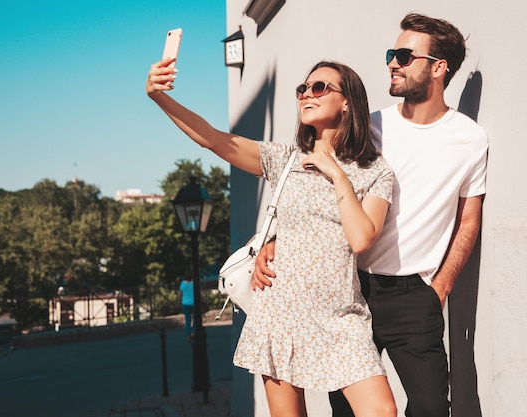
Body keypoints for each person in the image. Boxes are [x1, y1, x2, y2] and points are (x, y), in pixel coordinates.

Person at [254, 13, 489, 417]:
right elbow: (311, 188)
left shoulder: (470, 138)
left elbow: (469, 219)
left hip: (415, 297)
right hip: (347, 291)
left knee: (433, 406)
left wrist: (439, 289)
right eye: (390, 54)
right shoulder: (368, 126)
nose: (392, 63)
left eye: (403, 55)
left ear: (438, 68)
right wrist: (277, 242)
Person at [146, 58, 397, 417]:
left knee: (382, 411)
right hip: (281, 310)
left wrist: (337, 175)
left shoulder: (375, 171)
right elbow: (215, 140)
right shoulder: (286, 159)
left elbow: (360, 240)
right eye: (303, 89)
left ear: (347, 101)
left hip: (341, 316)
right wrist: (159, 97)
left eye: (320, 87)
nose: (307, 94)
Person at [178, 273, 195, 341]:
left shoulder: (183, 284)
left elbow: (180, 294)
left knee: (187, 320)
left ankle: (188, 335)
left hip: (185, 303)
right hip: (193, 303)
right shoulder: (194, 283)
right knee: (195, 320)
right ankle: (193, 332)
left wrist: (179, 303)